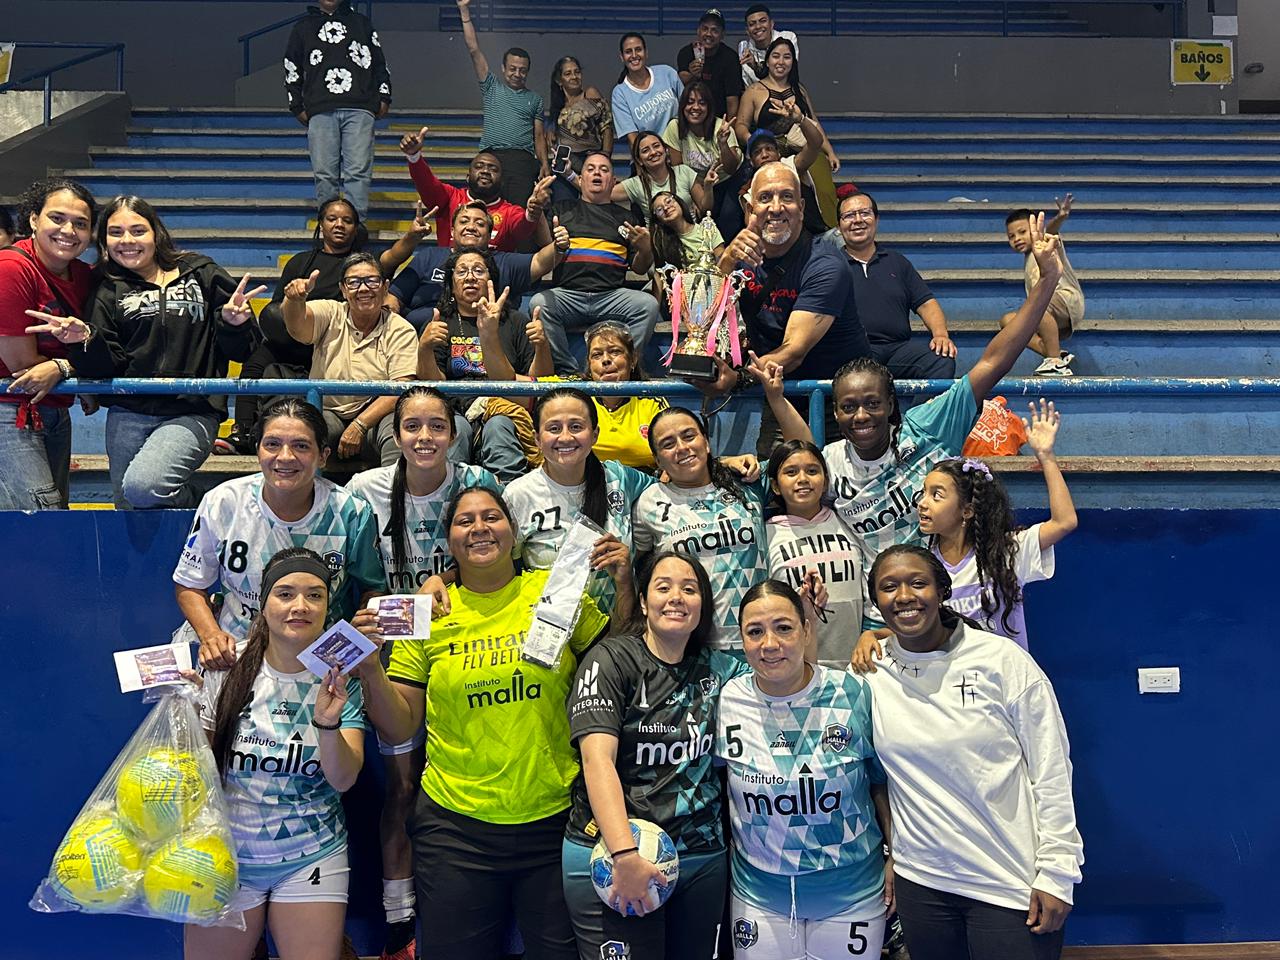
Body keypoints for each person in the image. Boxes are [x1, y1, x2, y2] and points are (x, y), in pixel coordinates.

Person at [354, 485, 624, 960]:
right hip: (456, 829)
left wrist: (625, 584)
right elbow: (399, 728)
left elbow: (618, 656)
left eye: (492, 517)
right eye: (465, 521)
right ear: (450, 541)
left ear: (513, 532)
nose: (479, 528)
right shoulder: (427, 613)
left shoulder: (551, 591)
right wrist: (371, 666)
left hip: (554, 821)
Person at [755, 213, 1065, 587]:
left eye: (872, 403)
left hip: (949, 594)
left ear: (891, 405)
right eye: (848, 407)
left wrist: (1046, 281)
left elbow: (993, 360)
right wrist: (775, 400)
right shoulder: (832, 465)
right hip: (878, 611)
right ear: (835, 412)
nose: (861, 416)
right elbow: (802, 450)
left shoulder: (929, 429)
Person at [863, 545, 1083, 959]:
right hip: (922, 883)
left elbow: (1052, 771)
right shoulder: (872, 674)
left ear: (942, 590)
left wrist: (1058, 872)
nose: (904, 596)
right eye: (889, 587)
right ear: (876, 602)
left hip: (1007, 882)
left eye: (918, 582)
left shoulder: (1003, 661)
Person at [346, 386, 501, 960]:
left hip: (474, 652)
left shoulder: (479, 484)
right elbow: (362, 579)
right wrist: (378, 606)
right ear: (396, 434)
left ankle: (467, 906)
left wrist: (448, 585)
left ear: (454, 434)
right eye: (413, 427)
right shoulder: (366, 491)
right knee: (404, 790)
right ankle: (398, 921)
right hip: (402, 657)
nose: (425, 437)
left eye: (437, 426)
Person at [562, 551, 748, 960]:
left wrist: (809, 620)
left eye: (690, 588)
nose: (677, 597)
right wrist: (625, 854)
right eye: (663, 588)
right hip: (612, 854)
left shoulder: (722, 670)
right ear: (644, 602)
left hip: (701, 854)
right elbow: (597, 762)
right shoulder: (611, 660)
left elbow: (783, 672)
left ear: (704, 606)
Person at [185, 547, 366, 960]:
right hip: (225, 853)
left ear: (327, 606)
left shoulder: (339, 676)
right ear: (263, 604)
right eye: (285, 594)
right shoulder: (227, 666)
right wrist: (185, 708)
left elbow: (343, 779)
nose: (299, 606)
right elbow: (199, 774)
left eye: (314, 595)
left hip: (311, 853)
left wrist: (327, 723)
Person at [35, 196, 260, 510]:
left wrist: (232, 323)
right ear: (103, 241)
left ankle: (207, 504)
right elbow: (106, 364)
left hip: (191, 410)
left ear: (156, 233)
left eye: (138, 230)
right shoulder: (106, 286)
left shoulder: (202, 272)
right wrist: (86, 338)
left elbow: (245, 350)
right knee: (128, 508)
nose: (127, 241)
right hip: (128, 413)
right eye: (116, 232)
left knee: (144, 488)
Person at [717, 580, 892, 960]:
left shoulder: (853, 693)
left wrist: (896, 854)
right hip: (758, 897)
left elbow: (880, 782)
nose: (769, 644)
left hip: (852, 894)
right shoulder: (728, 699)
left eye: (783, 628)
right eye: (755, 632)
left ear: (807, 629)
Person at [856, 401, 1075, 666]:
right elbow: (919, 624)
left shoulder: (1006, 551)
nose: (922, 503)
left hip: (1006, 678)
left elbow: (1064, 522)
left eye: (936, 495)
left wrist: (1046, 456)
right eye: (923, 493)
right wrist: (872, 635)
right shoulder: (924, 563)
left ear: (967, 510)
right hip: (955, 685)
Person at [174, 398, 385, 669]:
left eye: (301, 446)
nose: (285, 457)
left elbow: (373, 587)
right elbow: (190, 583)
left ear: (323, 456)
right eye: (272, 444)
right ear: (258, 450)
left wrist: (361, 630)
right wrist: (211, 635)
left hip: (322, 661)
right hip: (239, 654)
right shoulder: (223, 502)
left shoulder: (350, 512)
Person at [219, 197, 432, 453]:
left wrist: (411, 236)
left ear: (384, 286)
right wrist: (295, 299)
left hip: (338, 355)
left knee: (394, 431)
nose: (339, 225)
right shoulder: (302, 265)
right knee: (258, 366)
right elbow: (286, 316)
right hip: (307, 336)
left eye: (347, 220)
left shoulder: (366, 268)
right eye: (332, 219)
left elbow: (391, 257)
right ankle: (244, 433)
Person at [716, 162, 873, 458]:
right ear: (749, 209)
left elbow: (792, 351)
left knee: (851, 497)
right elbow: (706, 319)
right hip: (782, 394)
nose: (776, 208)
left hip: (842, 401)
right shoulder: (738, 260)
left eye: (786, 197)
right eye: (765, 198)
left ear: (801, 207)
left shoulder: (825, 264)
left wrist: (736, 379)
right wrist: (725, 262)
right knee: (777, 494)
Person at [505, 387, 656, 614]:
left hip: (618, 628)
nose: (565, 437)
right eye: (554, 428)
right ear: (537, 438)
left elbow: (668, 488)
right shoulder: (518, 495)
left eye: (576, 427)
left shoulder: (621, 478)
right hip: (550, 630)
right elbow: (509, 572)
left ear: (595, 434)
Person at [632, 407, 769, 652]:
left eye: (689, 436)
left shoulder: (746, 480)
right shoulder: (648, 503)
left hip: (758, 639)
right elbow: (641, 567)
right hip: (690, 647)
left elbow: (805, 456)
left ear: (706, 442)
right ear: (658, 460)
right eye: (668, 443)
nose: (682, 447)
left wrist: (725, 462)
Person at [416, 247, 553, 480]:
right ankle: (449, 495)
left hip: (506, 409)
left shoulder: (516, 321)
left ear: (492, 280)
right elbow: (433, 385)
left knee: (498, 426)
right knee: (456, 429)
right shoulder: (441, 323)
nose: (470, 277)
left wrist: (541, 346)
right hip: (456, 410)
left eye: (479, 271)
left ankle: (509, 496)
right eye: (462, 272)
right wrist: (425, 348)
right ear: (451, 282)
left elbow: (539, 382)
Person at [0, 177, 96, 511]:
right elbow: (25, 369)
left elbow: (99, 344)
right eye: (57, 218)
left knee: (57, 516)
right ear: (33, 219)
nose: (68, 230)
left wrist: (63, 368)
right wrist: (74, 368)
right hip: (10, 410)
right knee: (42, 518)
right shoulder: (12, 267)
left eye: (80, 224)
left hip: (55, 409)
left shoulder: (83, 276)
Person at [282, 252, 418, 467]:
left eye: (372, 281)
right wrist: (294, 300)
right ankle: (304, 496)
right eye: (353, 282)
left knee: (400, 430)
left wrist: (360, 424)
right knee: (304, 429)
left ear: (385, 287)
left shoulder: (401, 329)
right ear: (343, 290)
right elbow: (298, 328)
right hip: (328, 410)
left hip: (376, 414)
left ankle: (394, 495)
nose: (363, 289)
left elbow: (400, 387)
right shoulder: (330, 311)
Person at [529, 152, 660, 375]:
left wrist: (646, 248)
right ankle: (568, 371)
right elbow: (545, 246)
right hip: (569, 295)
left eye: (604, 169)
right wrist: (538, 211)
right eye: (590, 169)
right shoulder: (563, 209)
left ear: (614, 181)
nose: (597, 172)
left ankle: (625, 365)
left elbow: (638, 268)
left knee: (647, 305)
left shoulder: (626, 217)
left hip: (611, 296)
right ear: (580, 180)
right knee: (539, 303)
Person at [830, 190, 958, 380]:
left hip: (898, 349)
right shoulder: (830, 264)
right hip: (852, 350)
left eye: (865, 213)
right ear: (839, 226)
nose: (858, 220)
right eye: (849, 215)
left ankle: (918, 412)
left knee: (941, 360)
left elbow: (926, 303)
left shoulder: (897, 262)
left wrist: (940, 335)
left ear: (877, 219)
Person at [386, 201, 568, 332]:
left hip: (486, 339)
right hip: (424, 335)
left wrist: (558, 245)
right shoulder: (429, 256)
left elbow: (539, 262)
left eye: (480, 224)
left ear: (490, 235)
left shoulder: (503, 261)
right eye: (464, 221)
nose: (471, 227)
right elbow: (394, 297)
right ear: (452, 231)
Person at [283, 0, 391, 217]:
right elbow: (291, 65)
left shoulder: (361, 23)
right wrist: (296, 105)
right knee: (324, 173)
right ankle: (329, 226)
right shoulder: (303, 27)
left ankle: (356, 227)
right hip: (320, 109)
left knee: (358, 172)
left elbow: (379, 62)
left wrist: (384, 96)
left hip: (360, 107)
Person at [763, 438, 865, 667]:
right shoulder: (766, 535)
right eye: (790, 472)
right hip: (798, 667)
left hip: (856, 662)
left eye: (812, 471)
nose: (802, 479)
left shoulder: (847, 522)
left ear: (825, 480)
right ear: (776, 486)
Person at [734, 38, 838, 227]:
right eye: (776, 56)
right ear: (767, 61)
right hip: (771, 153)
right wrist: (754, 141)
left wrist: (830, 152)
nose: (781, 62)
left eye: (787, 57)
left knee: (824, 191)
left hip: (806, 149)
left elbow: (814, 123)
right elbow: (741, 124)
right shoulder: (754, 91)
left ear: (793, 62)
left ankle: (831, 233)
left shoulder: (800, 90)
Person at [455, 0, 547, 207]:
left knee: (519, 214)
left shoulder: (535, 99)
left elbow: (539, 136)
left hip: (522, 162)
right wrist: (464, 10)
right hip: (490, 157)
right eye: (513, 68)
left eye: (522, 70)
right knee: (484, 211)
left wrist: (544, 164)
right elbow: (473, 49)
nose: (517, 73)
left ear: (527, 72)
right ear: (503, 69)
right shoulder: (491, 86)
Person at [398, 125, 543, 251]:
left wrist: (532, 213)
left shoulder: (510, 212)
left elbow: (523, 229)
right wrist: (414, 157)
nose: (485, 171)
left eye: (493, 169)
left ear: (502, 182)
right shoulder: (450, 198)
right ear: (468, 177)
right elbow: (426, 183)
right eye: (479, 167)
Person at [1004, 195, 1083, 376]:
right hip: (1047, 311)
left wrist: (1060, 217)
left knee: (1037, 302)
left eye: (1023, 232)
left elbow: (1052, 231)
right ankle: (1055, 354)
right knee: (1008, 321)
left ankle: (1054, 362)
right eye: (1011, 236)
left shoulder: (1046, 244)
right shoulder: (1028, 258)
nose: (1017, 238)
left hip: (1066, 300)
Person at [579, 321, 667, 470]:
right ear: (589, 365)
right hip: (588, 480)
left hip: (644, 484)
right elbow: (534, 384)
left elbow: (670, 447)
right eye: (597, 354)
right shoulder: (577, 396)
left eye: (615, 352)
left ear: (632, 360)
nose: (606, 359)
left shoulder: (652, 400)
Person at [546, 56, 614, 204]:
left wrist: (606, 156)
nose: (574, 76)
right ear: (559, 80)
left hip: (589, 159)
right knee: (563, 206)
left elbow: (606, 126)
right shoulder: (558, 106)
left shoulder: (590, 93)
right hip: (564, 161)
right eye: (568, 73)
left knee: (594, 204)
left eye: (577, 72)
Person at [608, 132, 710, 225]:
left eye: (656, 146)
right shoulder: (636, 184)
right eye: (645, 150)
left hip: (691, 237)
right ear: (639, 160)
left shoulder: (684, 171)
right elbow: (604, 194)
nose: (653, 152)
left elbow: (706, 209)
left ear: (665, 150)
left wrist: (708, 187)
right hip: (658, 240)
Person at [612, 33, 684, 148]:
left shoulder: (666, 73)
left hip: (680, 147)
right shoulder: (619, 93)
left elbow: (686, 108)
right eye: (628, 51)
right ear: (621, 57)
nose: (634, 55)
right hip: (649, 156)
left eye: (638, 49)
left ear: (646, 53)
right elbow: (633, 138)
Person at [676, 8, 744, 120]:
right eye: (705, 29)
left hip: (719, 117)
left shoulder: (730, 58)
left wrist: (729, 127)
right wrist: (692, 75)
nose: (709, 34)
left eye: (715, 30)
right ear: (698, 31)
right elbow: (679, 84)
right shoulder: (686, 52)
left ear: (722, 35)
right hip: (691, 116)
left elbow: (732, 99)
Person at [650, 190, 724, 272]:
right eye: (659, 209)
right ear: (659, 220)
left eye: (668, 201)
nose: (666, 208)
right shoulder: (661, 244)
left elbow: (722, 261)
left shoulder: (707, 229)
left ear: (678, 202)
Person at [738, 4, 799, 89]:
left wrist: (755, 67)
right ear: (747, 31)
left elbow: (783, 77)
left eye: (763, 21)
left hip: (788, 93)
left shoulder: (787, 38)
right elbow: (751, 88)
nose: (758, 26)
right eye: (752, 24)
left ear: (771, 24)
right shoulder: (746, 52)